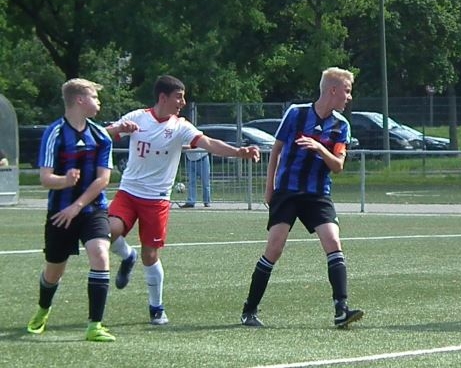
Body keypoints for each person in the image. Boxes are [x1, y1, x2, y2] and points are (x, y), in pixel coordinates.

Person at [107, 75, 260, 325]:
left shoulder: (180, 126)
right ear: (163, 97)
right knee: (107, 231)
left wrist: (238, 152)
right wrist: (117, 129)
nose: (183, 102)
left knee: (150, 255)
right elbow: (103, 134)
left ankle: (156, 308)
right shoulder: (138, 117)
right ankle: (127, 256)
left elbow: (208, 143)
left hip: (156, 199)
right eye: (179, 97)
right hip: (128, 192)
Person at [240, 67, 364, 328]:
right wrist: (269, 187)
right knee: (275, 248)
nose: (349, 97)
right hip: (288, 191)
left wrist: (319, 148)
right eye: (347, 91)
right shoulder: (296, 113)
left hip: (317, 194)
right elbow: (276, 150)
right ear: (333, 90)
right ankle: (249, 310)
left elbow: (338, 165)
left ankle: (341, 310)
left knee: (333, 241)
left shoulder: (341, 126)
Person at [26, 78, 116, 341]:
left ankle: (95, 326)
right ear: (79, 100)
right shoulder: (54, 133)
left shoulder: (100, 135)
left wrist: (77, 206)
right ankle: (43, 309)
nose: (99, 102)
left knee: (100, 254)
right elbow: (45, 178)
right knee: (54, 271)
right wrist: (65, 181)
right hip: (60, 213)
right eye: (94, 97)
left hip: (92, 209)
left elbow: (103, 179)